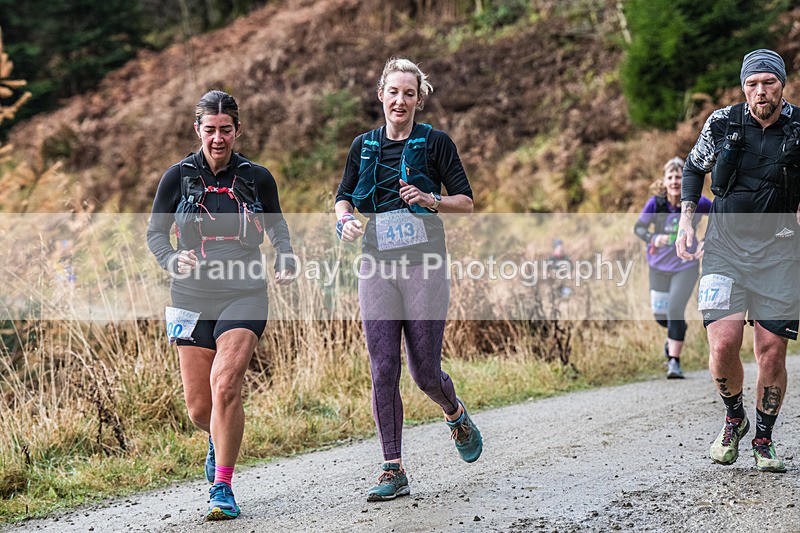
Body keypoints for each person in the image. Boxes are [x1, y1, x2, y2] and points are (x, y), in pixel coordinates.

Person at [334, 57, 482, 501]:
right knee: (383, 368)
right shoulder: (363, 146)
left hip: (424, 267)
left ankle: (455, 414)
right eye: (394, 92)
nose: (400, 100)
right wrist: (344, 220)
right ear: (381, 94)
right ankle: (392, 468)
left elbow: (466, 202)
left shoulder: (436, 143)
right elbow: (343, 197)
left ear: (420, 99)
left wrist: (431, 199)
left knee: (424, 374)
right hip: (376, 266)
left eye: (409, 93)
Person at [147, 90, 295, 519]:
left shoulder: (257, 177)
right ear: (197, 129)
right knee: (199, 408)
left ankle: (222, 487)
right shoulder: (176, 177)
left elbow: (277, 226)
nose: (218, 139)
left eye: (225, 130)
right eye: (210, 130)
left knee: (226, 383)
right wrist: (172, 258)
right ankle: (216, 436)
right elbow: (155, 234)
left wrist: (285, 255)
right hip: (190, 296)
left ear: (237, 130)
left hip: (244, 292)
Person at [677, 49, 800, 473]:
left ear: (782, 84)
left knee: (771, 351)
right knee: (723, 343)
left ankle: (764, 439)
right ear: (743, 87)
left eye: (768, 82)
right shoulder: (722, 123)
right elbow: (693, 168)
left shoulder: (799, 127)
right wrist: (686, 221)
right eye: (752, 84)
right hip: (724, 250)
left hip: (781, 253)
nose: (760, 91)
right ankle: (735, 418)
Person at [634, 157, 711, 379]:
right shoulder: (655, 204)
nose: (675, 181)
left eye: (679, 177)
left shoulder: (697, 202)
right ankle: (676, 334)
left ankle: (674, 362)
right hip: (658, 266)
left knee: (675, 309)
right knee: (661, 317)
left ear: (685, 180)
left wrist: (706, 240)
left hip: (686, 264)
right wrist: (653, 238)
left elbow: (720, 213)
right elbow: (639, 228)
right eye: (671, 177)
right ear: (664, 181)